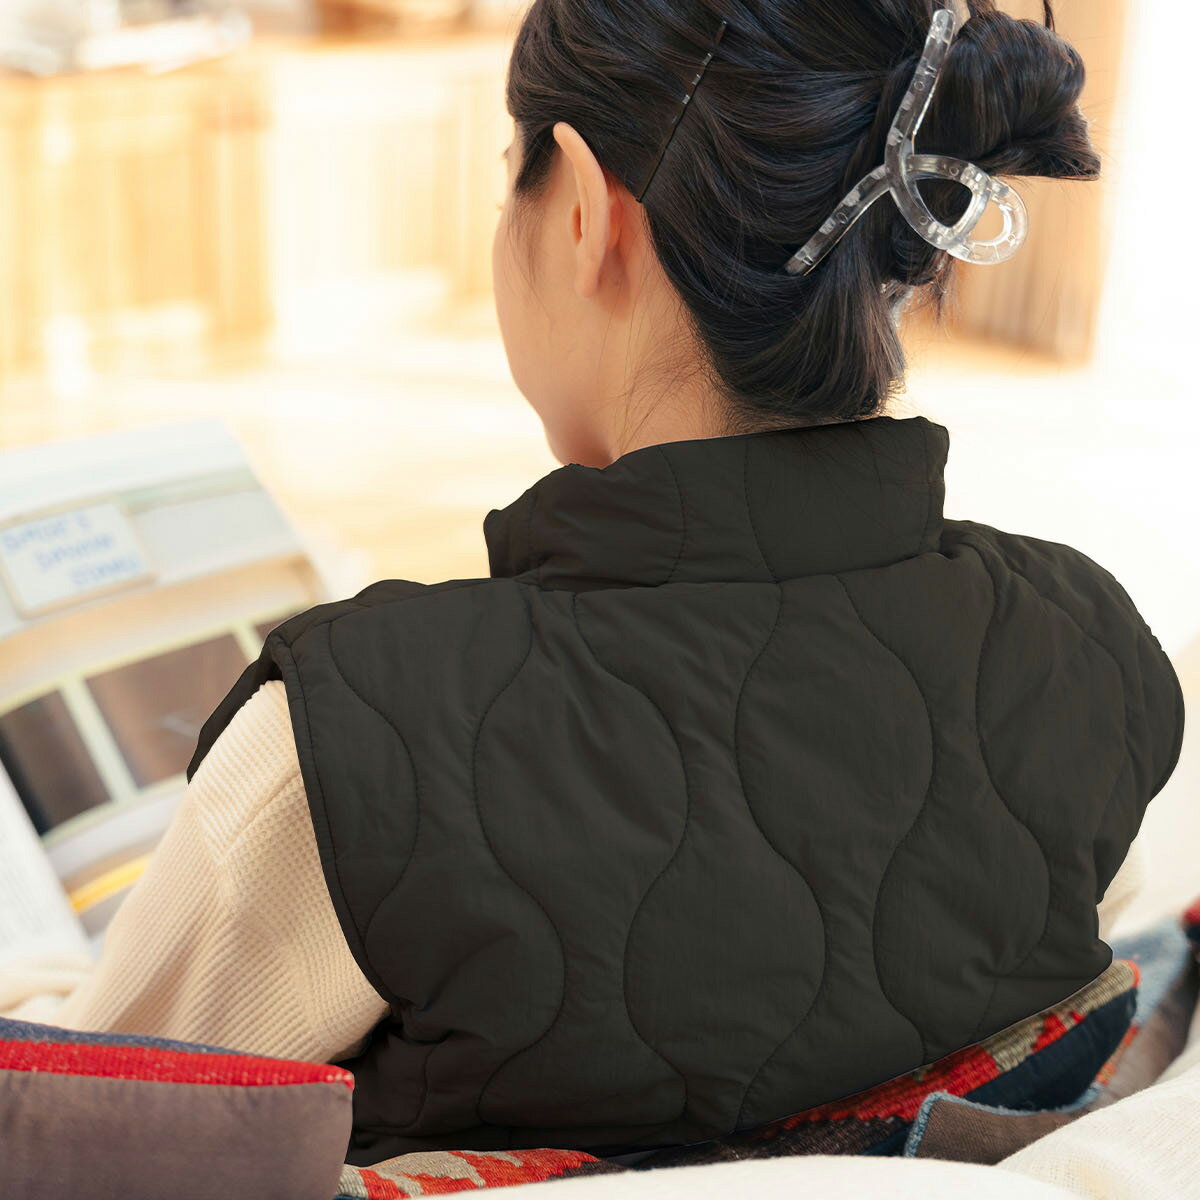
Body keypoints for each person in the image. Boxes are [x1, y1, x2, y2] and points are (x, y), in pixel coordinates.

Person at [0, 0, 1185, 1178]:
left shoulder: (337, 749)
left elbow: (88, 1124)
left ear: (579, 207)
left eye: (505, 174)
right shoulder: (1093, 649)